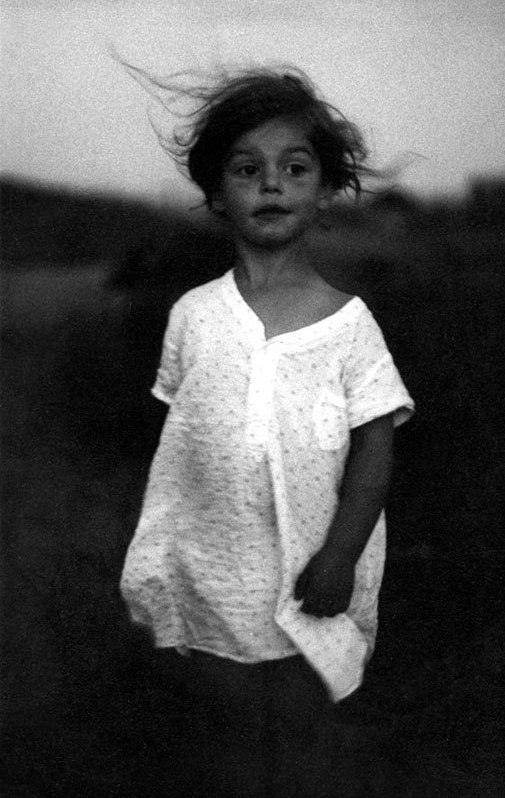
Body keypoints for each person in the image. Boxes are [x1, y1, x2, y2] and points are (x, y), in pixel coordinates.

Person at [119, 67, 414, 795]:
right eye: (249, 169)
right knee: (225, 735)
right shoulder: (192, 313)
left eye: (294, 167)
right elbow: (172, 433)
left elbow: (378, 446)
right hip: (218, 570)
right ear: (220, 193)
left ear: (323, 189)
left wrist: (340, 556)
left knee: (301, 732)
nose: (272, 184)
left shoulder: (349, 324)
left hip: (314, 572)